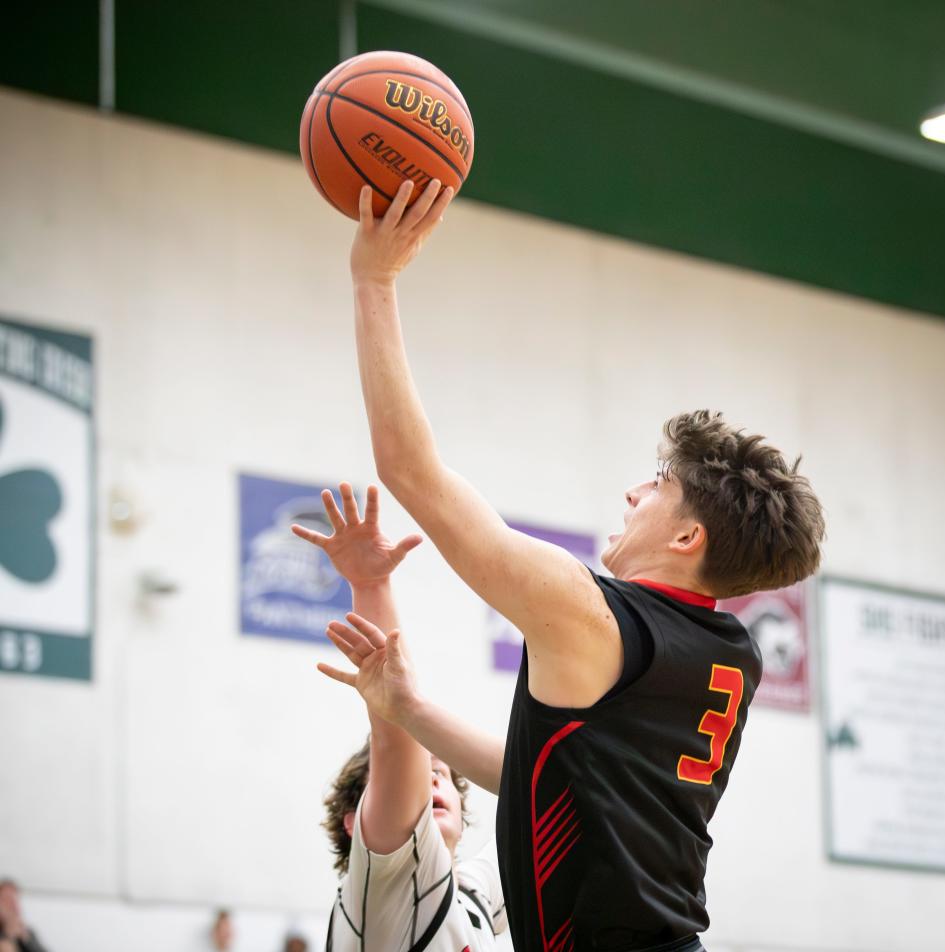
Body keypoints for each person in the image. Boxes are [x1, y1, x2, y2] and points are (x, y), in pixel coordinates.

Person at [325, 180, 827, 951]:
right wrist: (412, 710)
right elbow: (549, 782)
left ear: (689, 537)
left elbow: (410, 471)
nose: (633, 491)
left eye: (657, 485)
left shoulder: (591, 615)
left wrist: (374, 280)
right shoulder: (732, 654)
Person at [292, 484, 506, 950]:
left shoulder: (471, 891)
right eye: (417, 776)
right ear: (356, 822)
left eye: (442, 774)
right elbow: (395, 735)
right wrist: (370, 586)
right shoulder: (381, 886)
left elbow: (551, 801)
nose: (430, 782)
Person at [0, 880, 49, 952]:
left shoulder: (27, 933)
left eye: (14, 900)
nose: (12, 906)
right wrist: (8, 935)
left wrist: (26, 939)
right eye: (6, 900)